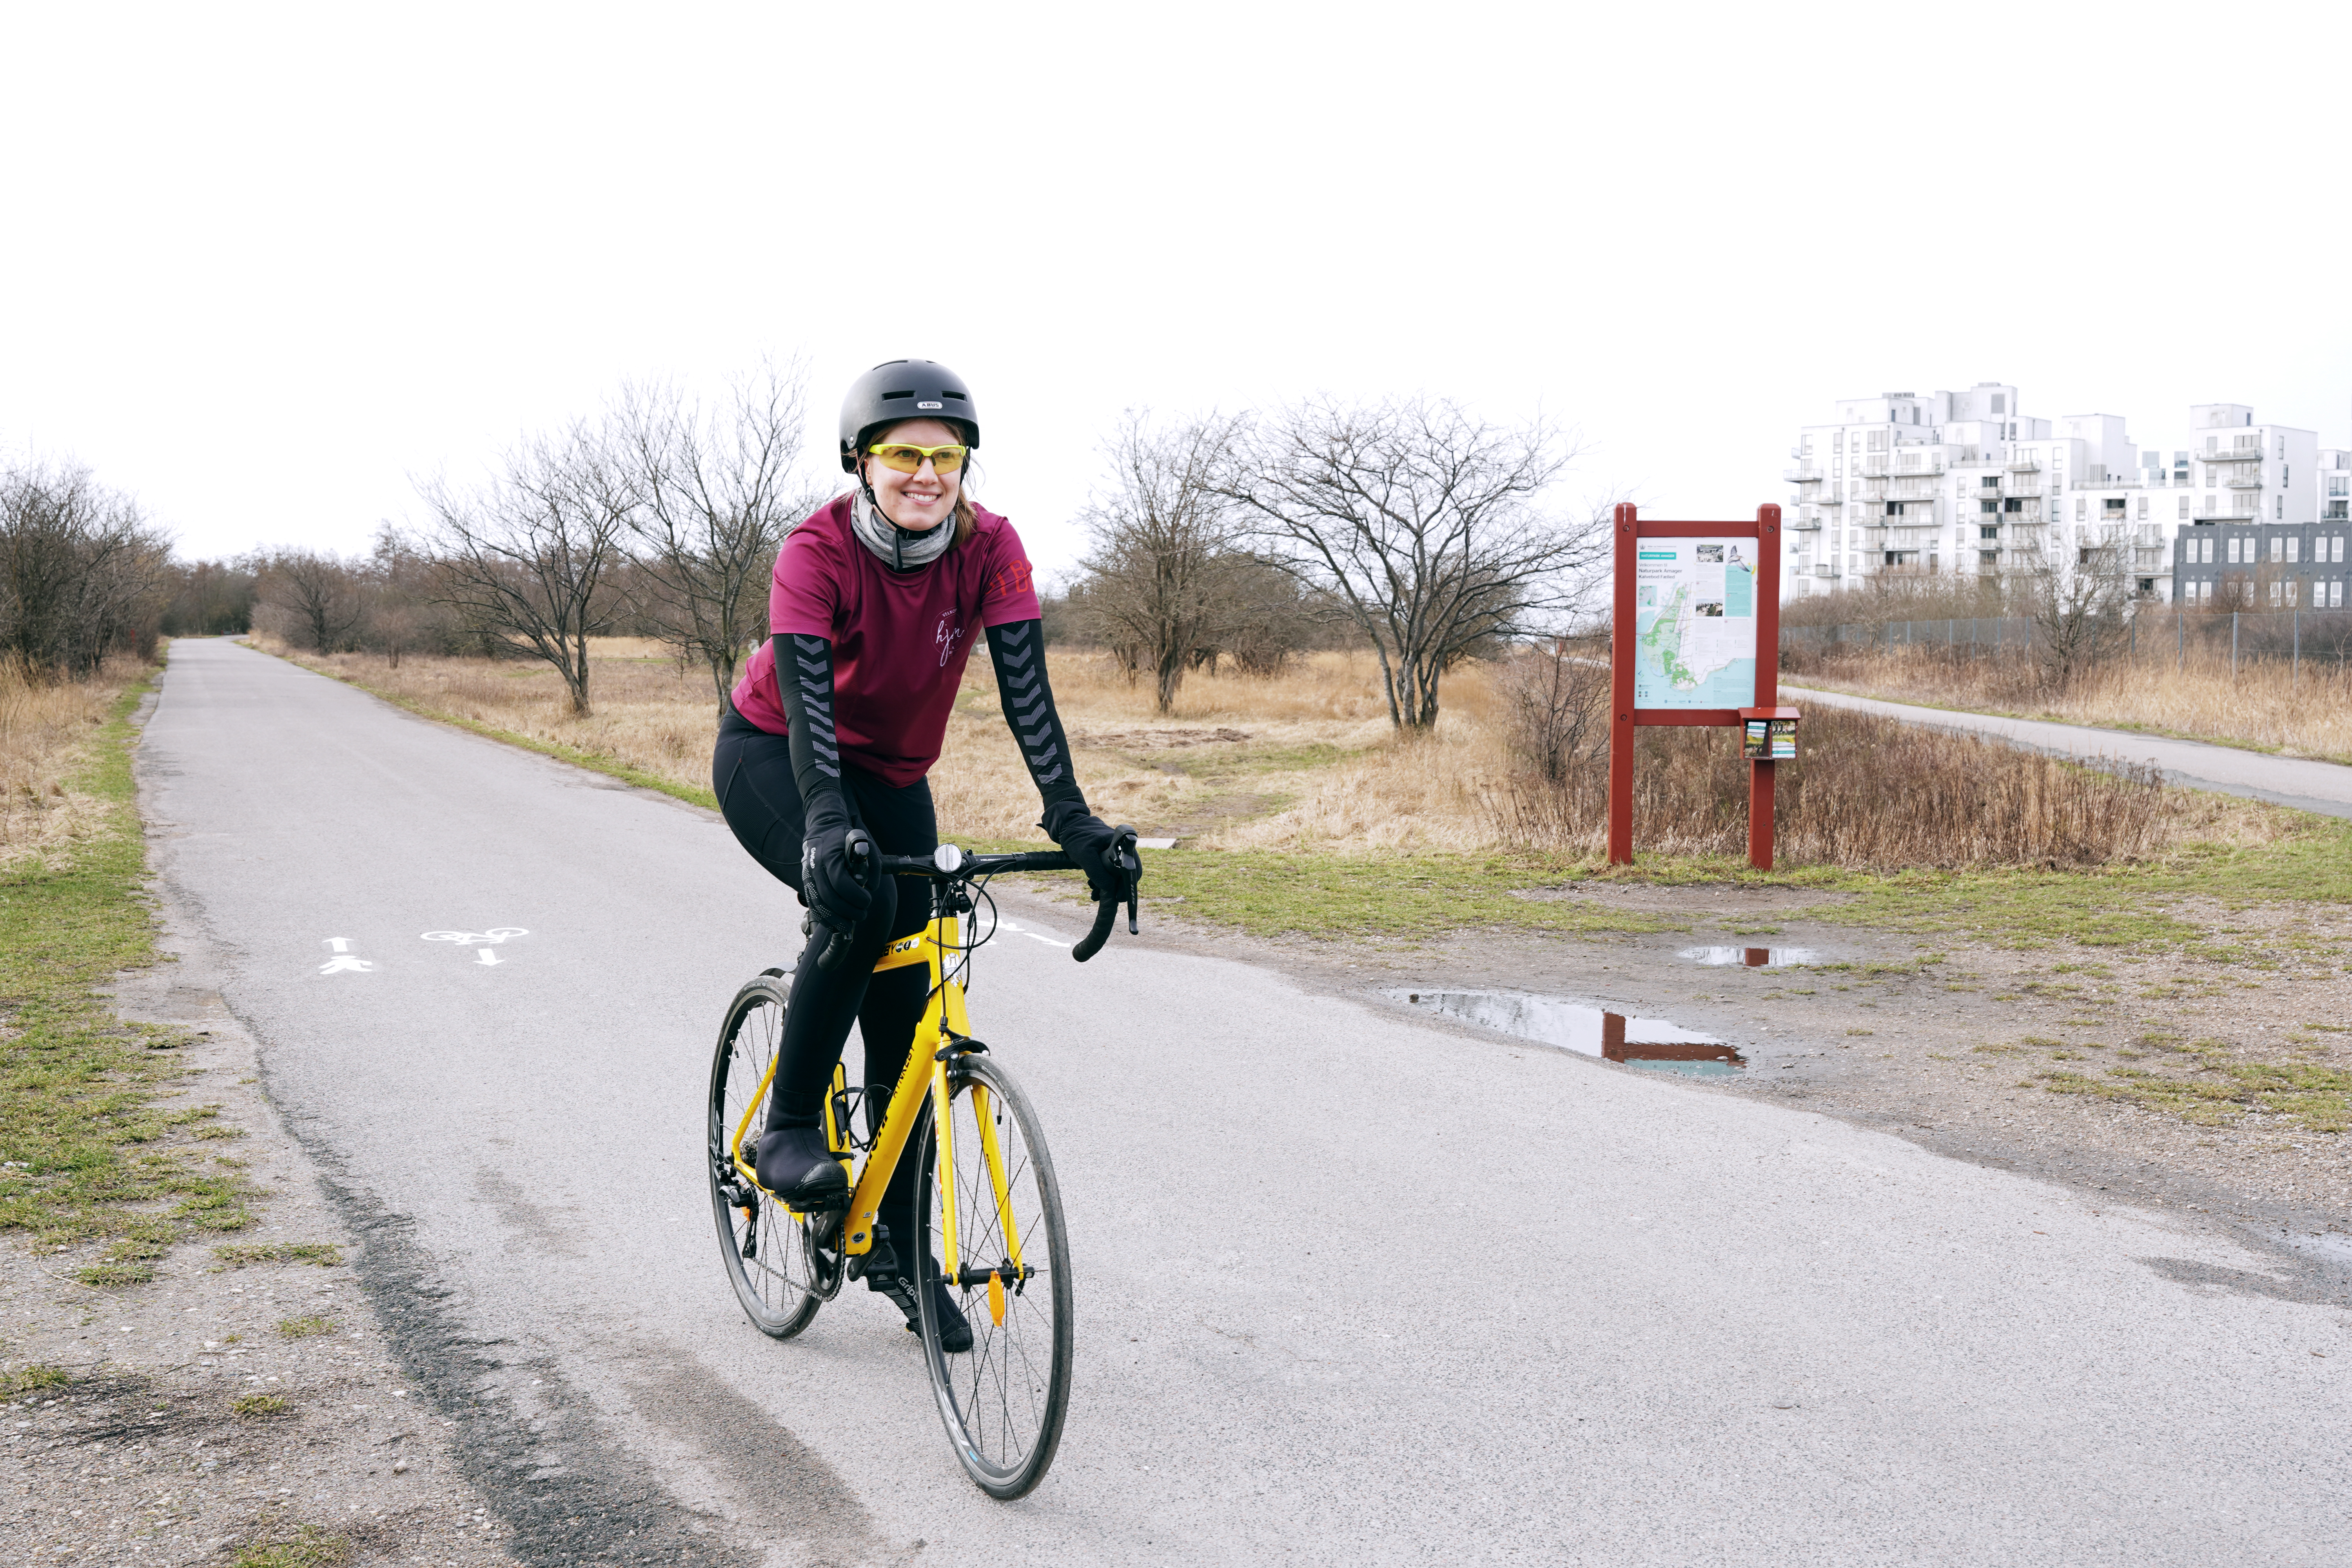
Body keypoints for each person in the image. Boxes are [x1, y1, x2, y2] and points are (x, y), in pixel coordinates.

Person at [711, 358, 1129, 1350]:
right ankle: (792, 1126)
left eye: (947, 457)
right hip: (778, 751)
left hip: (895, 773)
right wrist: (823, 826)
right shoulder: (814, 551)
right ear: (862, 459)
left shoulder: (990, 550)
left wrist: (1071, 819)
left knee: (915, 986)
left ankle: (896, 1241)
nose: (927, 474)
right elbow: (810, 709)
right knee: (858, 908)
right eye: (905, 454)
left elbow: (1028, 692)